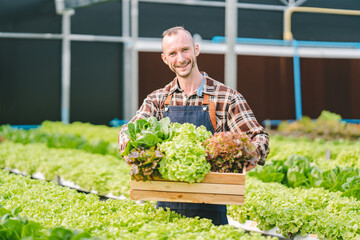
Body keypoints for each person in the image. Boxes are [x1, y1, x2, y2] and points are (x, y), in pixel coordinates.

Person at [118, 26, 269, 226]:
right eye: (172, 53)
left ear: (196, 49)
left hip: (211, 209)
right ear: (165, 59)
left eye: (185, 50)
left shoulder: (226, 97)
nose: (180, 59)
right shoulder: (158, 100)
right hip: (166, 212)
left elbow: (259, 137)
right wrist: (131, 148)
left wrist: (252, 153)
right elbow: (127, 132)